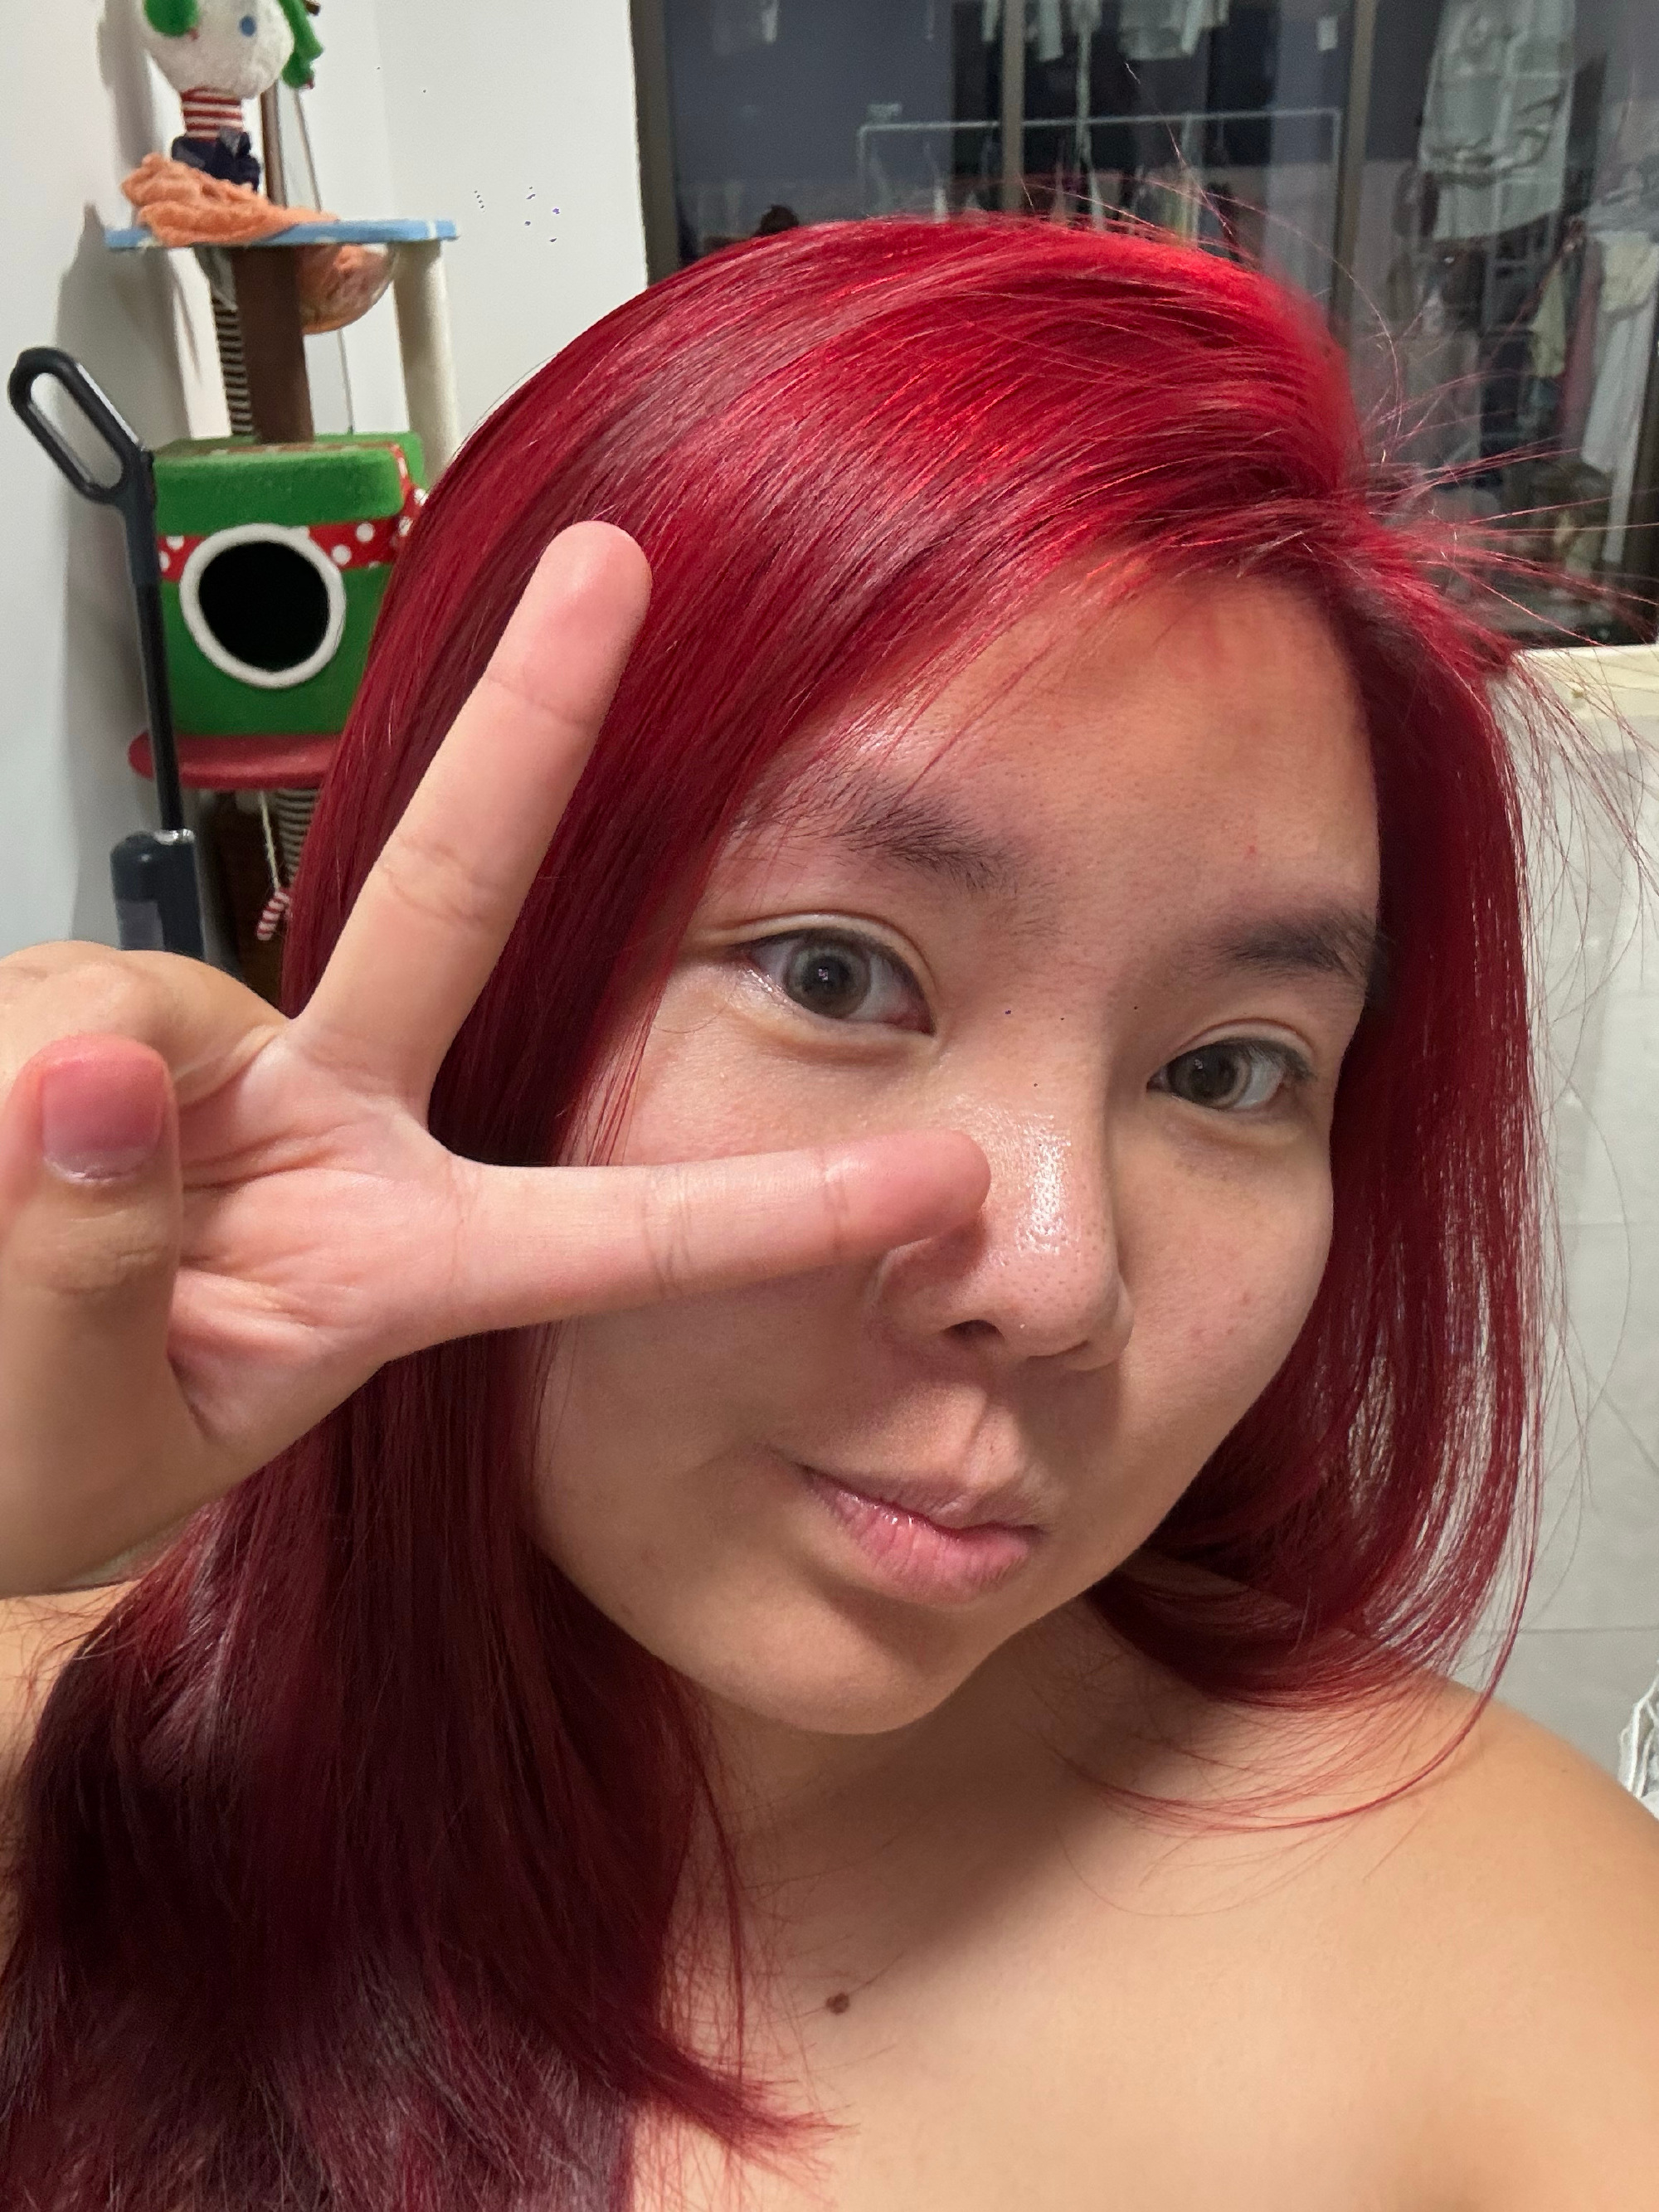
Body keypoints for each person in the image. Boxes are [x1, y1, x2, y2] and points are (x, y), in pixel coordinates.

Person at [0, 218, 1655, 2210]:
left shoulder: (1514, 1975)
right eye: (834, 972)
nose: (1056, 1274)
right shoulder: (65, 1782)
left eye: (1227, 1071)